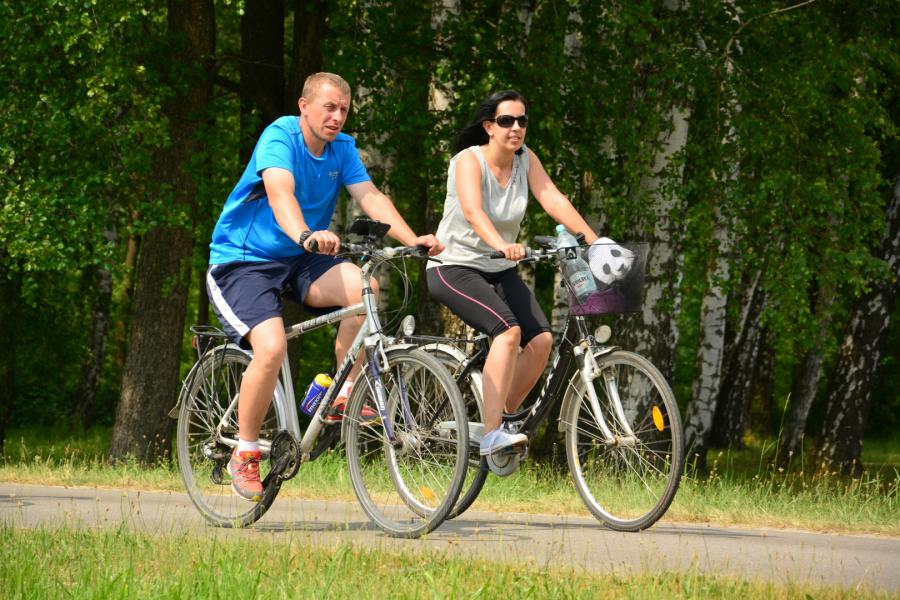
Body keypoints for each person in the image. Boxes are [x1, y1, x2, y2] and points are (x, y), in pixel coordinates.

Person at [208, 72, 443, 500]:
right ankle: (244, 451)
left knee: (363, 290)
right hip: (244, 261)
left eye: (344, 110)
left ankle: (343, 392)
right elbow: (281, 193)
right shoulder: (280, 137)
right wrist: (304, 234)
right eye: (329, 107)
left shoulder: (342, 148)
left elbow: (370, 196)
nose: (337, 117)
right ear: (304, 106)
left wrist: (414, 240)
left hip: (300, 259)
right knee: (272, 348)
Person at [427, 90, 598, 457]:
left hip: (498, 268)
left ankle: (501, 417)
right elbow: (473, 211)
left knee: (541, 341)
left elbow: (552, 197)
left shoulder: (525, 160)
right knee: (508, 332)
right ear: (489, 126)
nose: (516, 127)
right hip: (453, 266)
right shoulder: (468, 160)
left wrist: (595, 242)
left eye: (522, 120)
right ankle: (492, 434)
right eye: (507, 120)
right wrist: (502, 244)